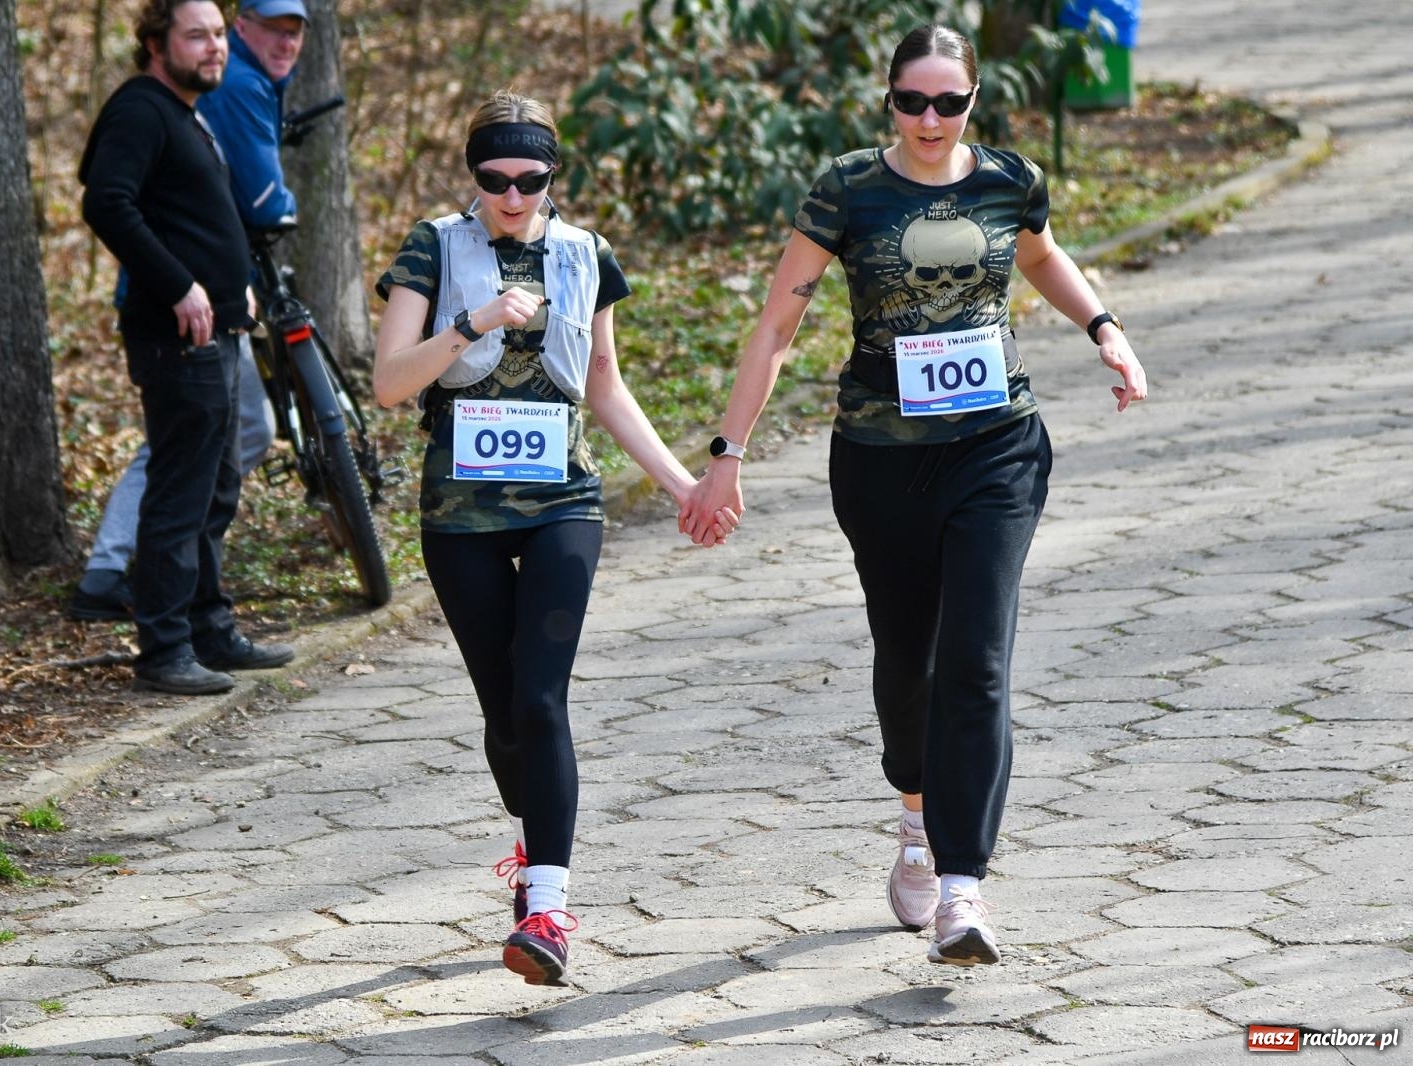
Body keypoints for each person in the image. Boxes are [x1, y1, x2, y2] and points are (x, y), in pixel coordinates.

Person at [681, 24, 1147, 967]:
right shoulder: (850, 189)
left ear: (974, 101)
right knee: (908, 664)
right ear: (888, 99)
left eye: (949, 103)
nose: (930, 120)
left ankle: (963, 890)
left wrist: (1105, 326)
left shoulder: (1009, 180)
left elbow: (1040, 255)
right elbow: (776, 326)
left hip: (997, 448)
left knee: (977, 661)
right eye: (912, 101)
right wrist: (728, 453)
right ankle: (915, 817)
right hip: (881, 460)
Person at [373, 90, 733, 986]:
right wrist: (474, 321)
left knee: (541, 701)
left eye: (529, 179)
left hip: (562, 503)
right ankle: (533, 851)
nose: (511, 196)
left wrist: (685, 485)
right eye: (493, 178)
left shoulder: (583, 254)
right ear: (473, 175)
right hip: (460, 514)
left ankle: (548, 911)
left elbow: (604, 385)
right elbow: (388, 382)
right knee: (504, 718)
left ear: (552, 176)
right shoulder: (433, 246)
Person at [69, 0, 311, 623]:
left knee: (215, 488)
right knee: (182, 494)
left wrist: (235, 288)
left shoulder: (187, 112)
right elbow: (106, 203)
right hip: (175, 333)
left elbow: (196, 218)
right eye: (196, 36)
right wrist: (180, 286)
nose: (214, 47)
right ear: (157, 43)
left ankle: (210, 627)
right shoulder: (140, 109)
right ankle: (166, 643)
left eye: (218, 35)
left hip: (218, 324)